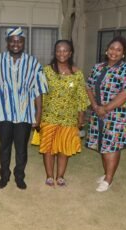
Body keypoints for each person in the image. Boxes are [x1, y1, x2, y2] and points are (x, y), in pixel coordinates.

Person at [0, 27, 48, 190]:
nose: (16, 44)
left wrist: (38, 115)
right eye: (12, 40)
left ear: (23, 43)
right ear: (7, 42)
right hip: (3, 113)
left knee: (21, 149)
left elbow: (38, 91)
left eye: (19, 41)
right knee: (4, 147)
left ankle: (19, 176)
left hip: (25, 114)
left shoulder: (33, 62)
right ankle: (4, 175)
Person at [86, 36, 126, 192]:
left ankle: (109, 179)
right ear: (107, 50)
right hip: (98, 112)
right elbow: (88, 87)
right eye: (112, 48)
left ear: (123, 53)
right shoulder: (98, 67)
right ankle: (107, 173)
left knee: (112, 146)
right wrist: (95, 105)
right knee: (103, 144)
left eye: (119, 50)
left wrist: (105, 108)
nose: (114, 52)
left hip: (117, 115)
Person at [40, 40, 89, 187]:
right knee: (48, 148)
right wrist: (37, 115)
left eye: (65, 50)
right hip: (49, 116)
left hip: (69, 118)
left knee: (64, 148)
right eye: (58, 50)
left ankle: (60, 176)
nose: (62, 53)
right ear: (55, 53)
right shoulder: (46, 71)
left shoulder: (77, 73)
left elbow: (82, 96)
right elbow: (40, 94)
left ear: (70, 53)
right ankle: (49, 176)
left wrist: (81, 117)